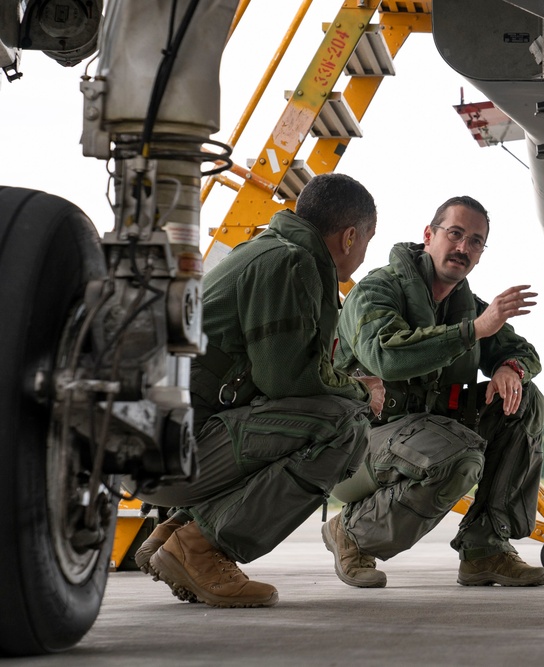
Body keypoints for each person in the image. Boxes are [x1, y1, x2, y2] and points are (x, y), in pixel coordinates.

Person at [136, 173, 385, 608]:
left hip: (155, 446)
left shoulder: (264, 251)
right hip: (169, 455)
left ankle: (177, 530)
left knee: (307, 416)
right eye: (367, 240)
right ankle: (200, 549)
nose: (364, 253)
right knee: (344, 427)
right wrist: (361, 392)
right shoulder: (290, 264)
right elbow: (288, 380)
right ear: (349, 237)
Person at [327, 195, 544, 587]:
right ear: (429, 236)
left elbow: (521, 351)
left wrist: (508, 369)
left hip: (426, 438)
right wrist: (474, 332)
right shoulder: (376, 292)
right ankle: (352, 531)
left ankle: (485, 548)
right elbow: (386, 356)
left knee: (524, 402)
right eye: (455, 234)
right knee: (458, 457)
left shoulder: (466, 307)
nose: (463, 248)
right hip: (355, 447)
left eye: (475, 241)